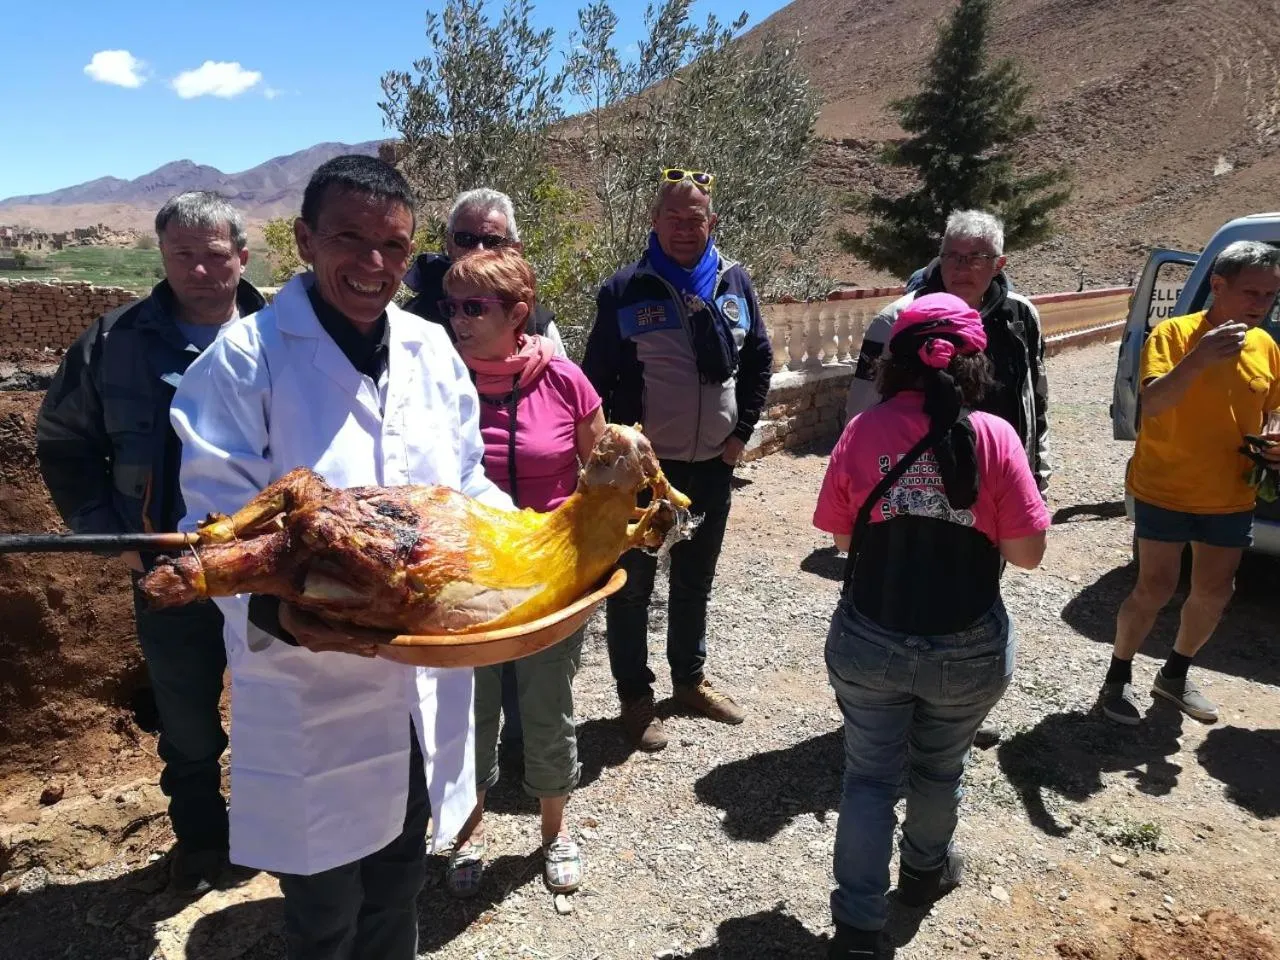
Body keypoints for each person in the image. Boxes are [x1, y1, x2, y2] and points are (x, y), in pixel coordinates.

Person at [168, 155, 510, 960]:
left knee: (399, 887)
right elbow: (216, 532)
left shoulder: (431, 351)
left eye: (393, 245)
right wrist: (298, 618)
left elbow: (466, 487)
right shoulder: (245, 362)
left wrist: (533, 548)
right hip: (310, 686)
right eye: (350, 239)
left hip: (425, 672)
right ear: (305, 241)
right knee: (323, 912)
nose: (374, 264)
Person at [36, 191, 265, 896]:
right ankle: (201, 840)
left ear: (243, 257)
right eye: (181, 255)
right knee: (189, 719)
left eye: (213, 254)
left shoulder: (286, 336)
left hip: (268, 570)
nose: (198, 269)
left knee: (278, 708)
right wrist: (114, 535)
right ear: (161, 257)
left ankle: (274, 833)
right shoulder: (114, 343)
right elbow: (63, 442)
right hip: (167, 568)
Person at [813, 293, 1051, 959]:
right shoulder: (997, 438)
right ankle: (922, 873)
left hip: (872, 633)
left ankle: (858, 927)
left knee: (867, 779)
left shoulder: (864, 431)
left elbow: (837, 537)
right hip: (967, 642)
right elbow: (1027, 557)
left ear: (895, 364)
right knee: (940, 768)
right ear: (974, 364)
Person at [582, 168, 773, 751]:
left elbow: (759, 359)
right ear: (654, 222)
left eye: (696, 220)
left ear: (711, 223)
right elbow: (596, 380)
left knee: (695, 582)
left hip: (714, 467)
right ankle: (635, 700)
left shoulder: (734, 283)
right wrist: (616, 454)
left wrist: (740, 435)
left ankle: (688, 681)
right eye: (675, 219)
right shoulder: (626, 289)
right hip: (647, 474)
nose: (686, 229)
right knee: (633, 588)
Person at [436, 248, 604, 899]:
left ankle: (555, 833)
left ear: (518, 312)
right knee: (469, 711)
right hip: (466, 584)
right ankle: (468, 834)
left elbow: (603, 478)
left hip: (549, 583)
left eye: (474, 307)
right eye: (452, 306)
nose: (459, 320)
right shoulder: (440, 381)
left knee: (547, 707)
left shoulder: (566, 381)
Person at [1101, 241, 1280, 726]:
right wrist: (1200, 357)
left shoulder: (1267, 346)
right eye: (1251, 292)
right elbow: (1153, 403)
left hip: (1229, 493)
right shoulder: (1174, 334)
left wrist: (1273, 442)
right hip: (1166, 485)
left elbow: (1272, 412)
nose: (1261, 304)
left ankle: (1175, 674)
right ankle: (1117, 676)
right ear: (1217, 286)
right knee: (1155, 586)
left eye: (1270, 295)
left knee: (1215, 591)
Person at [845, 210, 1049, 494]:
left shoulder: (1021, 316)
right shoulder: (895, 321)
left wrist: (1037, 478)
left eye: (976, 257)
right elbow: (862, 410)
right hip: (918, 488)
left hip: (1003, 478)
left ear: (999, 264)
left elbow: (1035, 399)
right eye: (952, 256)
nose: (961, 268)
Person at [403, 187, 566, 357]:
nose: (478, 251)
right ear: (450, 246)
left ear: (514, 251)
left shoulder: (537, 326)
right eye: (465, 239)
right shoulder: (415, 321)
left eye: (493, 241)